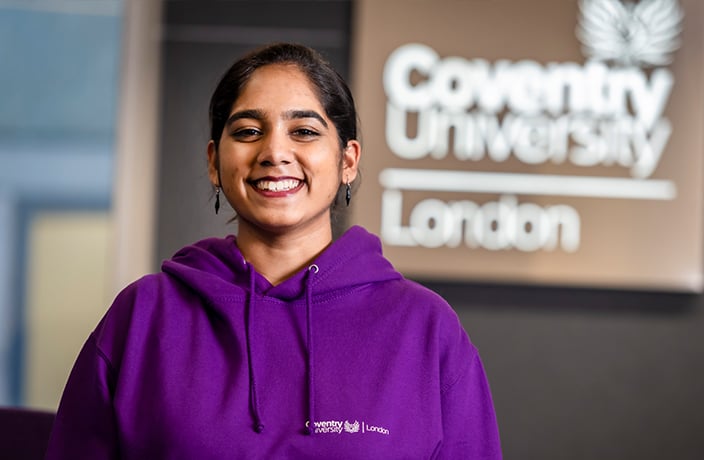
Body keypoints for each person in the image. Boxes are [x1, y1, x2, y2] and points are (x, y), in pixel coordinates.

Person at [45, 43, 502, 459]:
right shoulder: (144, 315)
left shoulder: (426, 329)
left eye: (303, 131)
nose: (274, 151)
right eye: (247, 131)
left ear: (347, 161)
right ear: (213, 162)